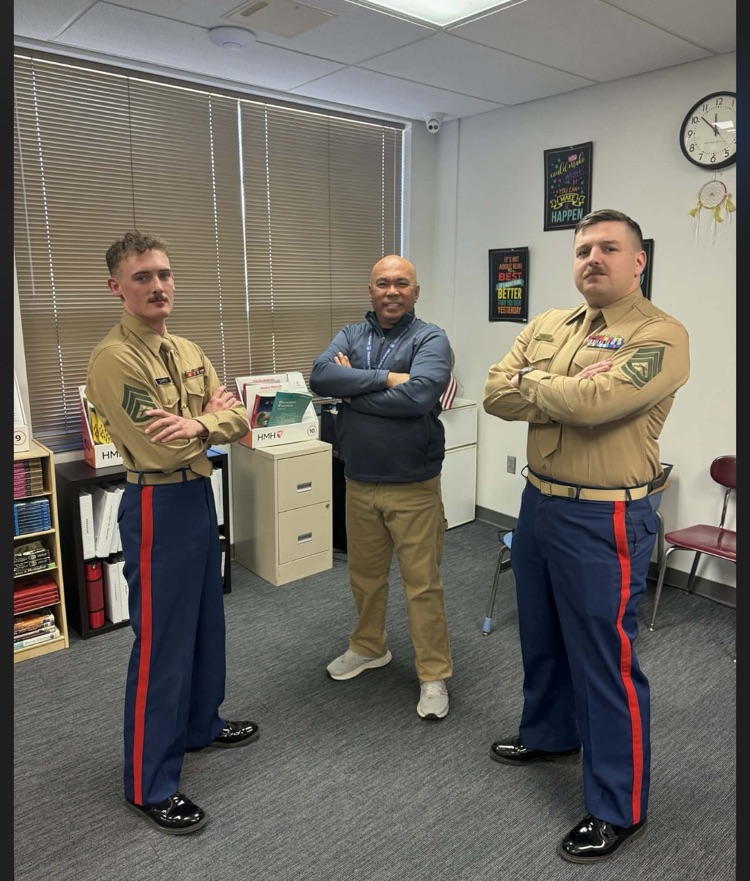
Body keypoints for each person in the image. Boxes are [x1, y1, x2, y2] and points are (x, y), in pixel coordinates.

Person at [483, 209, 690, 863]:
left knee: (605, 660)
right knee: (541, 636)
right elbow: (494, 393)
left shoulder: (662, 335)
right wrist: (557, 384)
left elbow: (596, 406)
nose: (592, 258)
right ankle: (549, 733)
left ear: (638, 261)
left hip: (603, 516)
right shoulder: (548, 324)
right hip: (538, 504)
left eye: (608, 248)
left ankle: (616, 804)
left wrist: (535, 384)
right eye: (582, 249)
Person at [86, 231, 259, 835]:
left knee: (206, 621)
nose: (157, 286)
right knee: (161, 642)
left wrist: (203, 420)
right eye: (141, 277)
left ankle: (200, 726)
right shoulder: (114, 358)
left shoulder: (186, 346)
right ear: (117, 287)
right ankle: (148, 782)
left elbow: (239, 416)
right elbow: (161, 445)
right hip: (156, 501)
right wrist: (207, 421)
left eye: (163, 274)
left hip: (195, 496)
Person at [310, 255, 454, 719]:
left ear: (416, 291)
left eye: (401, 284)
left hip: (413, 484)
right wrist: (385, 379)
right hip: (359, 480)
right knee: (365, 578)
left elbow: (420, 396)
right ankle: (369, 647)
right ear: (370, 290)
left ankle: (433, 674)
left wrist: (353, 390)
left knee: (422, 585)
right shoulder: (351, 334)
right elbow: (320, 376)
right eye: (382, 283)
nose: (391, 291)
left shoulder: (431, 337)